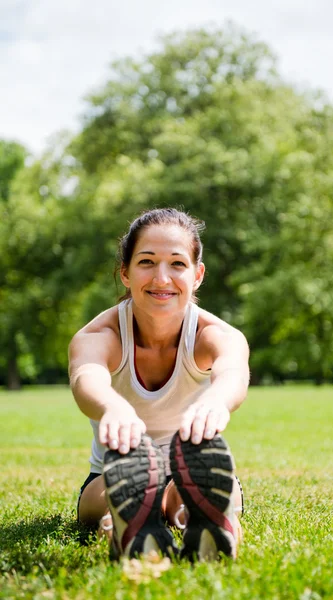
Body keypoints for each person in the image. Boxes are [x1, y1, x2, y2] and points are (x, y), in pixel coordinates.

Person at [68, 207, 250, 561]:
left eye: (177, 264)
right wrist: (113, 406)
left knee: (185, 491)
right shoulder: (99, 335)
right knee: (110, 495)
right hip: (118, 468)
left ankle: (200, 517)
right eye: (147, 262)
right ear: (125, 272)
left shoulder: (216, 334)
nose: (162, 278)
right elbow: (85, 377)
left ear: (197, 275)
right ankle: (130, 518)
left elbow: (233, 373)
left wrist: (216, 401)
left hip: (194, 462)